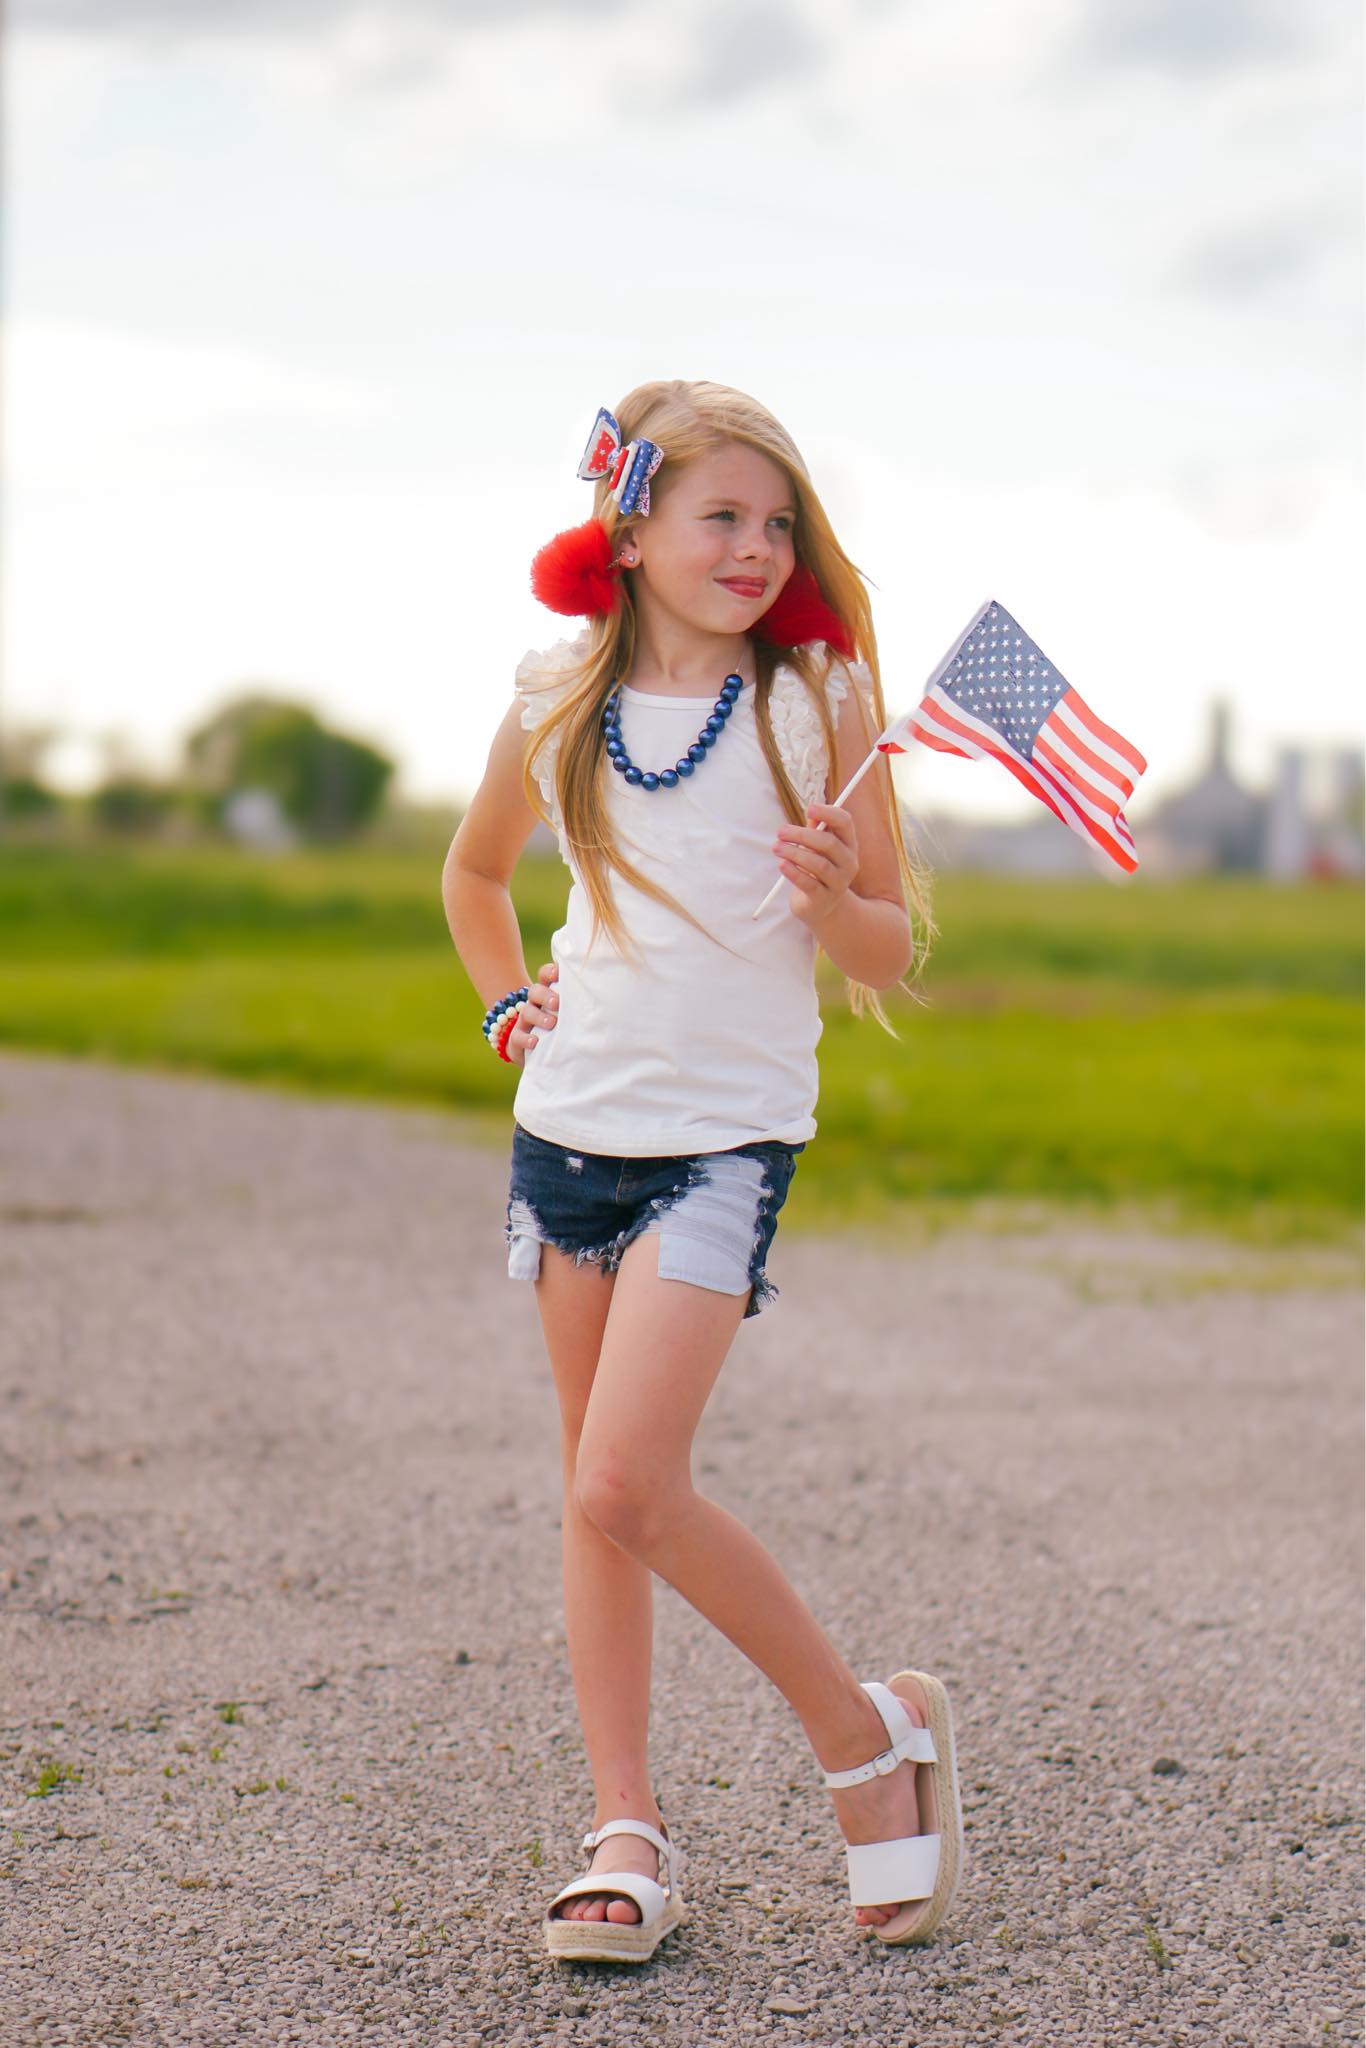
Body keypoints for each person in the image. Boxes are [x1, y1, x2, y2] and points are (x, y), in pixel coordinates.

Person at [441, 379, 965, 1964]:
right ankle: (625, 1825)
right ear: (634, 526)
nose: (752, 547)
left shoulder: (817, 703)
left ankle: (864, 1745)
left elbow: (885, 944)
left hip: (720, 1144)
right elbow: (474, 873)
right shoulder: (556, 698)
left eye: (775, 521)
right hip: (568, 1137)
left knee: (625, 1479)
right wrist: (502, 993)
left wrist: (828, 896)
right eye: (718, 516)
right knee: (589, 1499)